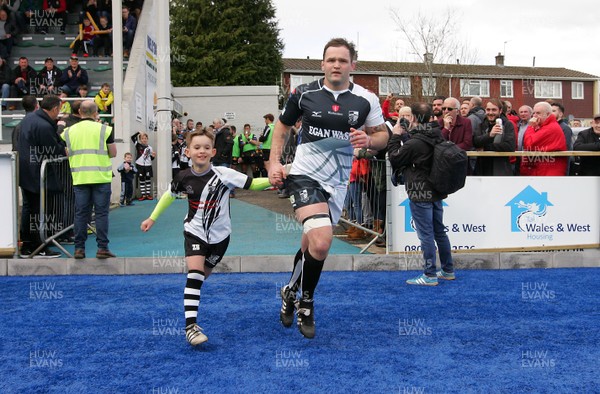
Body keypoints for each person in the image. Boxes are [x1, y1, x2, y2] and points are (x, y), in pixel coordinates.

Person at [268, 38, 388, 338]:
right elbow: (282, 127)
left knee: (311, 245)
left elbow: (382, 136)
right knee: (322, 242)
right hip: (305, 175)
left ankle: (291, 290)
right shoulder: (303, 93)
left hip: (338, 181)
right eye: (331, 60)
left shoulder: (366, 99)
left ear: (353, 66)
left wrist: (369, 141)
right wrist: (273, 163)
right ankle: (306, 303)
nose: (336, 65)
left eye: (342, 61)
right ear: (322, 64)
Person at [140, 129, 271, 346]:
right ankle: (190, 327)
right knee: (194, 274)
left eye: (206, 148)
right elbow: (169, 195)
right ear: (188, 151)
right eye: (197, 147)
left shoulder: (224, 174)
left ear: (213, 152)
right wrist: (152, 218)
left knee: (199, 280)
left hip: (221, 239)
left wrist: (277, 177)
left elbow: (253, 184)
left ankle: (190, 303)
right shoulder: (182, 176)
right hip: (194, 232)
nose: (201, 151)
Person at [387, 102, 454, 286]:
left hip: (419, 189)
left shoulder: (416, 142)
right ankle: (447, 270)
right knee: (439, 231)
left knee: (426, 234)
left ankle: (429, 274)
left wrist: (395, 136)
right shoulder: (436, 133)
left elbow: (395, 157)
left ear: (414, 118)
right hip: (436, 188)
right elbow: (419, 142)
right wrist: (408, 134)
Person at [61, 100, 116, 259]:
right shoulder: (104, 129)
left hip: (80, 177)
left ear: (80, 112)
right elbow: (113, 153)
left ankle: (79, 249)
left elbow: (67, 153)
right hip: (100, 177)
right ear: (95, 113)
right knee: (101, 214)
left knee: (80, 214)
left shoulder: (68, 131)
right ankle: (102, 248)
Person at [17, 94, 64, 258]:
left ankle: (29, 245)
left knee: (30, 208)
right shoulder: (43, 125)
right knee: (39, 211)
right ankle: (39, 246)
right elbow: (55, 150)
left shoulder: (28, 120)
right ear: (55, 108)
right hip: (37, 174)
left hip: (27, 172)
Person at [519, 102, 567, 176]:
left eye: (538, 113)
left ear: (548, 114)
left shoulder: (550, 128)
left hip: (547, 171)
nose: (534, 116)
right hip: (543, 169)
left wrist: (531, 127)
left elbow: (529, 144)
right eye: (534, 113)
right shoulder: (545, 126)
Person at [472, 98, 516, 176]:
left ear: (500, 111)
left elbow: (510, 146)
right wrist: (489, 135)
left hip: (500, 168)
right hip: (482, 168)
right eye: (488, 110)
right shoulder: (481, 124)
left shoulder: (507, 124)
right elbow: (475, 142)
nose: (490, 112)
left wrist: (486, 147)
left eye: (494, 110)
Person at [131, 131, 155, 200]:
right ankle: (143, 195)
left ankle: (148, 194)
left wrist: (153, 156)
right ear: (140, 139)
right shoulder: (138, 145)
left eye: (145, 138)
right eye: (142, 138)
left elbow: (151, 158)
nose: (144, 140)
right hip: (140, 165)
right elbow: (132, 138)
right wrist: (138, 132)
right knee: (141, 179)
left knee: (148, 179)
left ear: (147, 139)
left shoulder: (150, 148)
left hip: (148, 165)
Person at [550, 102, 573, 175]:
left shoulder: (565, 128)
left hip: (560, 164)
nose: (550, 113)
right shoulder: (549, 127)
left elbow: (565, 147)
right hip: (549, 163)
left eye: (553, 111)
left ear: (560, 114)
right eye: (549, 111)